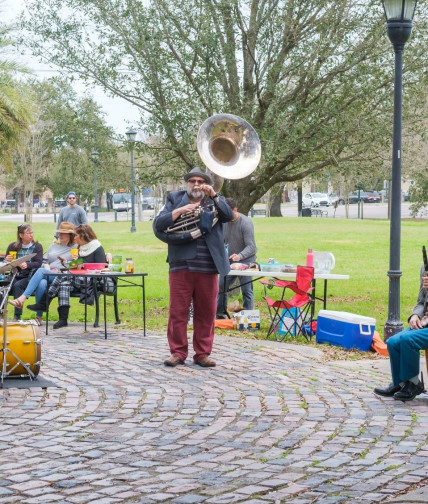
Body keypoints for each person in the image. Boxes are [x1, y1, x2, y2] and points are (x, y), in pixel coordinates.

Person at [153, 166, 234, 368]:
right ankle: (178, 352)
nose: (196, 185)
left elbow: (227, 215)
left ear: (206, 184)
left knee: (206, 312)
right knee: (178, 311)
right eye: (192, 181)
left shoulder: (215, 199)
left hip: (208, 265)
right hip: (181, 264)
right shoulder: (174, 199)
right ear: (186, 183)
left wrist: (214, 195)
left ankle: (202, 353)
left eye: (200, 181)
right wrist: (179, 211)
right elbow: (159, 224)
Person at [28, 224, 108, 329]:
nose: (74, 238)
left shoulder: (97, 248)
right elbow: (77, 266)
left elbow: (100, 267)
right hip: (77, 278)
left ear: (83, 235)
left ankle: (45, 301)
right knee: (63, 284)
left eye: (76, 235)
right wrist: (66, 263)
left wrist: (82, 266)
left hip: (90, 280)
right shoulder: (81, 248)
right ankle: (63, 319)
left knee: (64, 274)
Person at [374, 266, 428, 402]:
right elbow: (421, 302)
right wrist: (415, 315)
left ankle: (414, 384)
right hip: (424, 322)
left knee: (408, 339)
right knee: (393, 342)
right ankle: (401, 383)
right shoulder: (425, 268)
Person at [9, 222, 76, 325]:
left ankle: (22, 298)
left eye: (64, 233)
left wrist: (72, 261)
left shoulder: (75, 247)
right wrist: (46, 266)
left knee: (40, 271)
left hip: (63, 275)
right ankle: (39, 317)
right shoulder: (53, 246)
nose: (61, 235)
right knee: (42, 283)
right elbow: (44, 260)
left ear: (70, 235)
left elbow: (81, 263)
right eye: (60, 233)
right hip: (49, 273)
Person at [216, 197, 257, 317]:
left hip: (247, 261)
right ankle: (220, 314)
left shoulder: (246, 223)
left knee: (246, 290)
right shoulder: (223, 222)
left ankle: (248, 316)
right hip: (229, 262)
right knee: (221, 287)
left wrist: (240, 256)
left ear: (235, 209)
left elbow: (252, 247)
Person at [5, 224, 43, 321]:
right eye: (28, 233)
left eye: (32, 232)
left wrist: (27, 265)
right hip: (14, 275)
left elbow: (38, 263)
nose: (31, 235)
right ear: (21, 235)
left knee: (18, 285)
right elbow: (7, 264)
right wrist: (7, 260)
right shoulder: (12, 246)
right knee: (3, 286)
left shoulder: (37, 247)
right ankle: (1, 313)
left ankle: (17, 316)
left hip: (29, 276)